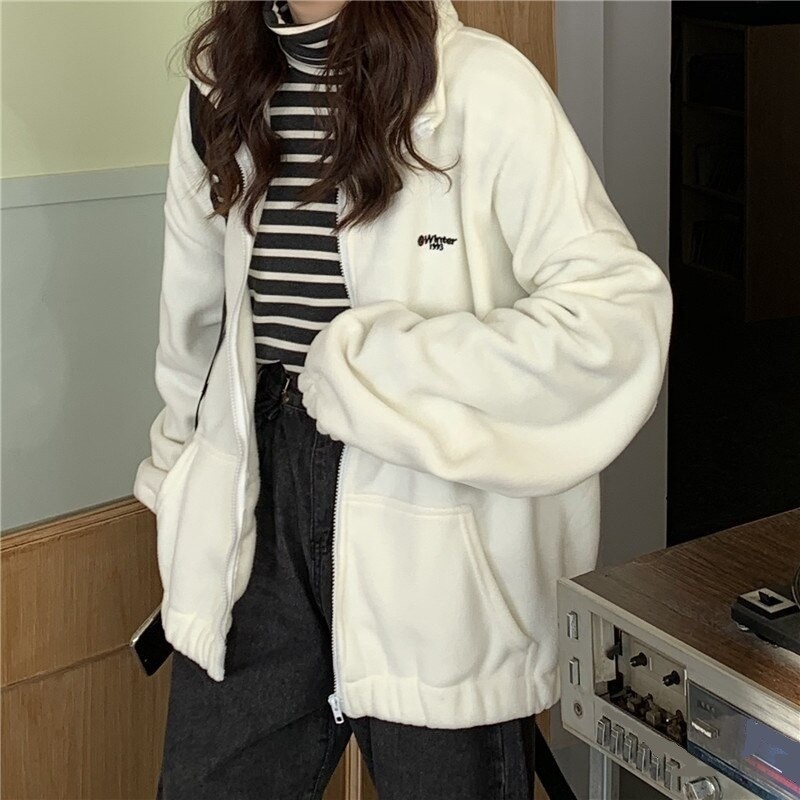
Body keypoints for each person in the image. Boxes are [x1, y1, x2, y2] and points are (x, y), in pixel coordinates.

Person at [133, 0, 673, 797]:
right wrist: (178, 487)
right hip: (254, 509)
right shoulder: (219, 86)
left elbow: (617, 320)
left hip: (432, 528)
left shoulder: (482, 85)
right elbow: (194, 322)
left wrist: (392, 370)